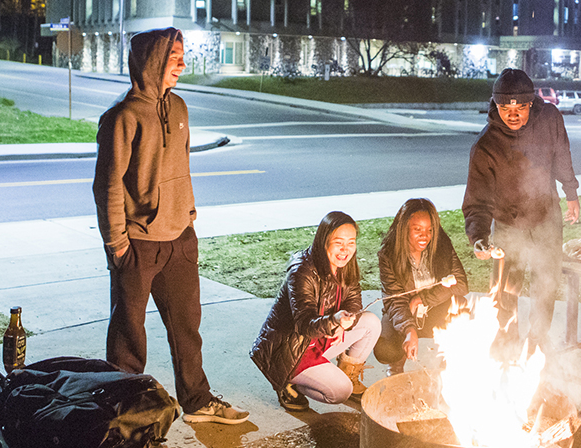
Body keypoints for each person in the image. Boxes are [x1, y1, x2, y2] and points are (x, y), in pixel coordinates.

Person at [93, 28, 248, 425]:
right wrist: (118, 246)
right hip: (138, 244)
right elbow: (107, 185)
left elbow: (181, 169)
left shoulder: (179, 109)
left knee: (186, 328)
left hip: (179, 238)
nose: (181, 63)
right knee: (129, 339)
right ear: (152, 62)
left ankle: (196, 401)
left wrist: (189, 217)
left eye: (182, 56)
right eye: (174, 56)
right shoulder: (122, 117)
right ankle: (124, 418)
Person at [463, 68, 580, 357]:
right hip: (507, 223)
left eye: (520, 107)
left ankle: (537, 341)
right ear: (495, 104)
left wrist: (571, 192)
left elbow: (562, 154)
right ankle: (506, 342)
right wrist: (478, 236)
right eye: (505, 107)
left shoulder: (550, 118)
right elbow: (476, 200)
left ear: (531, 103)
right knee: (505, 287)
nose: (512, 114)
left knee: (546, 282)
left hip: (546, 216)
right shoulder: (485, 146)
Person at [251, 211, 382, 411]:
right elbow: (304, 324)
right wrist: (334, 321)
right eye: (338, 242)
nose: (345, 250)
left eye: (351, 242)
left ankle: (349, 374)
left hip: (323, 337)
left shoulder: (346, 265)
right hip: (293, 350)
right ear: (324, 241)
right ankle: (290, 383)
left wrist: (345, 322)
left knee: (371, 322)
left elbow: (354, 303)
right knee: (339, 392)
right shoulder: (302, 270)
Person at [373, 198, 470, 375]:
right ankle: (396, 366)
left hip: (434, 310)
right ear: (404, 229)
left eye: (429, 230)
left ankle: (451, 365)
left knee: (461, 307)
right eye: (417, 229)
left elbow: (461, 283)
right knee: (386, 349)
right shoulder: (389, 255)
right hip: (405, 311)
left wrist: (422, 298)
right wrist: (409, 330)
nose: (425, 236)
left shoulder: (442, 246)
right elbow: (394, 301)